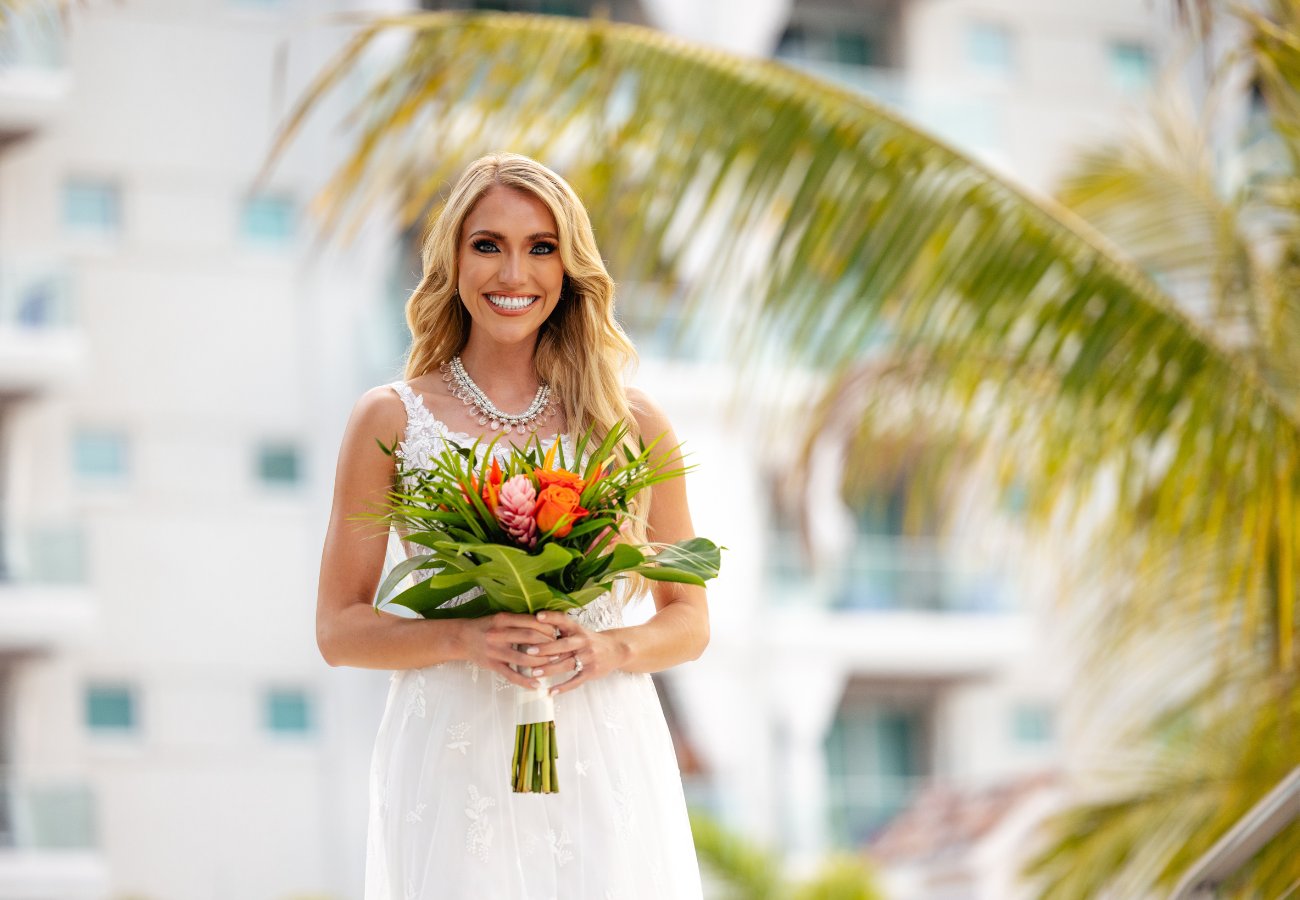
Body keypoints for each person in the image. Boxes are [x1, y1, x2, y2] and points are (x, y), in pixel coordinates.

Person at [316, 152, 710, 899]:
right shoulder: (391, 418)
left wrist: (607, 648)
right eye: (487, 244)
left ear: (568, 269)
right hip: (451, 748)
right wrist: (465, 637)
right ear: (452, 260)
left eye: (540, 248)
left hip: (602, 740)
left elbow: (689, 620)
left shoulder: (630, 422)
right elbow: (338, 630)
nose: (513, 274)